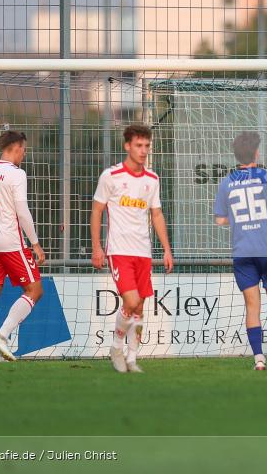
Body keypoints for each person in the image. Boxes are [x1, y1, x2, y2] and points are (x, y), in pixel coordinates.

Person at [91, 124, 174, 374]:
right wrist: (97, 247)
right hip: (119, 251)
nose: (143, 150)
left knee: (139, 307)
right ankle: (116, 348)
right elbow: (97, 211)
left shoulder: (152, 179)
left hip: (143, 252)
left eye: (147, 145)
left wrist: (166, 249)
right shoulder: (111, 176)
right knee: (131, 300)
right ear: (127, 146)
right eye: (138, 145)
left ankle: (132, 358)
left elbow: (156, 214)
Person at [214, 131, 267, 371]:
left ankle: (258, 359)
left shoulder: (227, 182)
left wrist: (241, 220)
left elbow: (220, 220)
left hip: (242, 251)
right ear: (256, 153)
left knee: (252, 306)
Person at [0, 130, 47, 362]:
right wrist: (35, 244)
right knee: (35, 290)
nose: (24, 154)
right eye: (24, 149)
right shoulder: (17, 174)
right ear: (16, 147)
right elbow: (22, 212)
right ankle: (2, 336)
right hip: (10, 242)